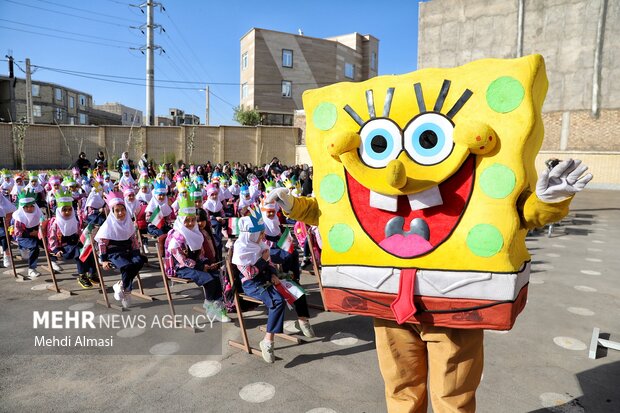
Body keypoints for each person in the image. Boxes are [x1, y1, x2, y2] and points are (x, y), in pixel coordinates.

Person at [232, 209, 314, 364]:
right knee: (277, 302)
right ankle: (268, 341)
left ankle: (303, 320)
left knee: (296, 290)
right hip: (252, 284)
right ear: (251, 234)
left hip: (266, 278)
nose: (263, 236)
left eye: (263, 233)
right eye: (260, 233)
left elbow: (269, 263)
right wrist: (263, 261)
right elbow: (249, 274)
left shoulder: (259, 244)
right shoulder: (241, 248)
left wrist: (273, 274)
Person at [164, 194, 230, 322]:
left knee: (217, 275)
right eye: (187, 220)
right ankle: (210, 304)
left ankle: (216, 305)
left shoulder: (196, 233)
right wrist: (201, 266)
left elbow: (200, 253)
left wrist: (207, 263)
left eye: (192, 220)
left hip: (195, 263)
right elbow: (182, 259)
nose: (190, 223)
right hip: (181, 267)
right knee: (208, 279)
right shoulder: (177, 237)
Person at [94, 191, 146, 309]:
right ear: (112, 212)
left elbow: (133, 239)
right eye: (117, 210)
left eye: (122, 210)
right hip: (114, 252)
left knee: (139, 261)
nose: (121, 213)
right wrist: (104, 260)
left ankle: (121, 285)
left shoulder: (128, 222)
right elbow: (102, 243)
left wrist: (137, 253)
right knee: (127, 266)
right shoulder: (108, 225)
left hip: (128, 250)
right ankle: (127, 291)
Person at [47, 189, 97, 288]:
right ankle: (82, 275)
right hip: (63, 248)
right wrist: (56, 250)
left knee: (88, 250)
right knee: (79, 252)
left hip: (74, 244)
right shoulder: (56, 223)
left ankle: (92, 273)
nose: (67, 212)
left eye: (69, 209)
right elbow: (51, 238)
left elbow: (79, 232)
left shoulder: (74, 220)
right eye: (64, 210)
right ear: (59, 210)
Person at [12, 189, 43, 279]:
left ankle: (53, 262)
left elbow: (43, 223)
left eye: (31, 206)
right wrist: (30, 234)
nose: (29, 208)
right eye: (26, 207)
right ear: (22, 207)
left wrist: (39, 231)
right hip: (24, 237)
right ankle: (31, 269)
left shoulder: (38, 213)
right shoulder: (19, 217)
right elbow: (18, 232)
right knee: (34, 246)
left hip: (37, 233)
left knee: (47, 244)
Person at [0, 190, 16, 268]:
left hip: (2, 225)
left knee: (4, 237)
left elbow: (11, 210)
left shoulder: (5, 203)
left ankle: (6, 255)